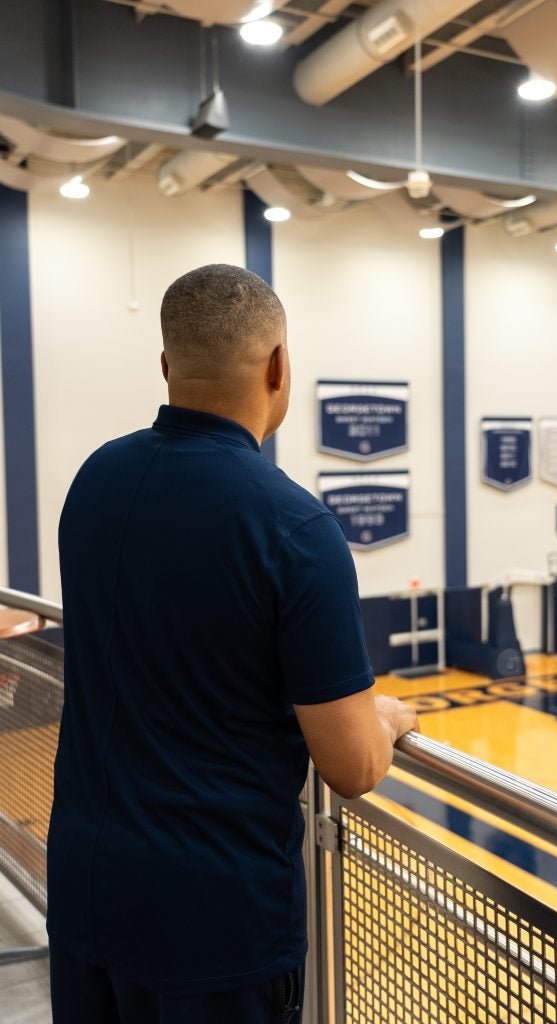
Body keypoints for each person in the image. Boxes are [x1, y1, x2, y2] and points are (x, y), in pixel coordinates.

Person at [47, 263, 418, 1024]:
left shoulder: (95, 481)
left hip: (86, 886)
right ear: (279, 367)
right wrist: (388, 719)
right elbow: (350, 766)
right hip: (214, 927)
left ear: (165, 365)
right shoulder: (296, 528)